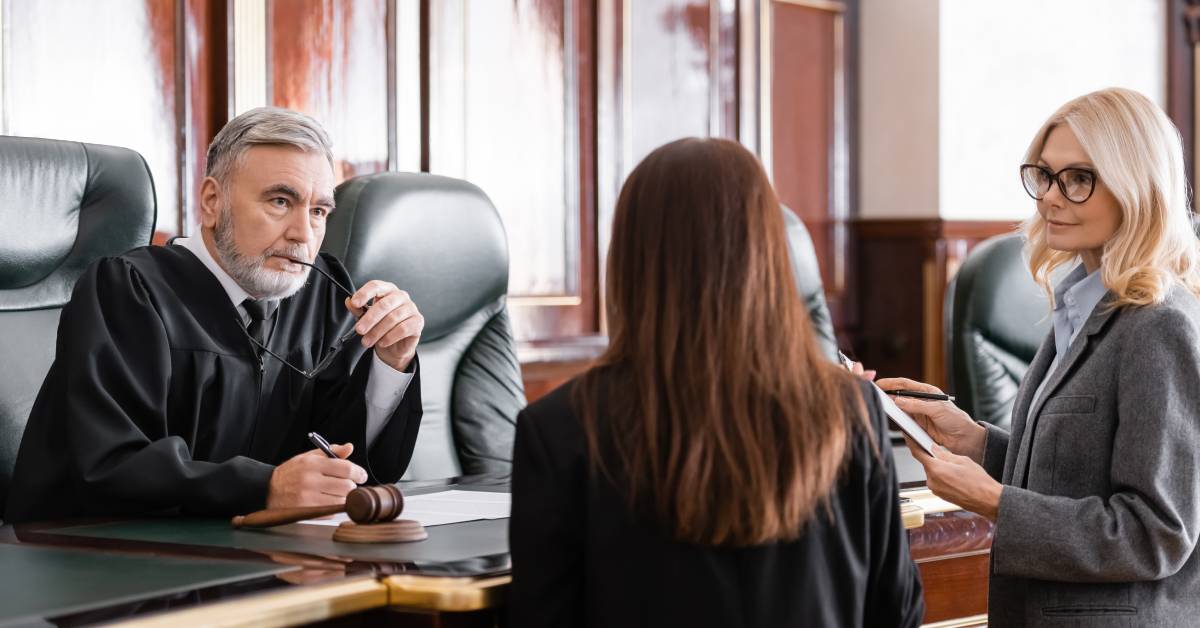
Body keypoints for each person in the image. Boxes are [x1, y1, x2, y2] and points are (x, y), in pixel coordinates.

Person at [509, 138, 924, 627]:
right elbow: (896, 613)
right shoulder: (852, 409)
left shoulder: (559, 429)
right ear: (768, 255)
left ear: (628, 259)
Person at [6, 107, 425, 522]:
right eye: (281, 201)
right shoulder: (130, 291)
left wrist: (391, 361)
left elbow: (341, 459)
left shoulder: (321, 295)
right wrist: (264, 488)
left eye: (318, 211)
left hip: (253, 556)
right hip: (96, 559)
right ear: (212, 201)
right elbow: (110, 464)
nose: (304, 234)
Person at [881, 87, 1200, 626]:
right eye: (1045, 175)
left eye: (1079, 179)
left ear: (1136, 190)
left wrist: (995, 502)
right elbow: (1076, 475)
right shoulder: (1082, 303)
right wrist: (978, 443)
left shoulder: (1158, 326)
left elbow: (1155, 535)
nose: (1051, 197)